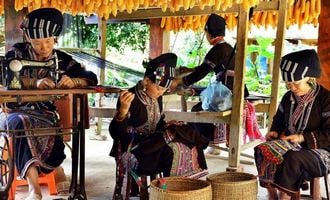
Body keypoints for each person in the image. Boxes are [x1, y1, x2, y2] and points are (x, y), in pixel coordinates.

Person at [0, 8, 98, 200]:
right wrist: (33, 83)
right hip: (13, 113)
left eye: (48, 42)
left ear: (55, 39)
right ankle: (34, 189)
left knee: (55, 128)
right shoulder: (17, 54)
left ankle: (63, 180)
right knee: (21, 123)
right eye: (37, 42)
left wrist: (74, 81)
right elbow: (4, 77)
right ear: (29, 39)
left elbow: (90, 77)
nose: (43, 47)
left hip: (45, 116)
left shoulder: (61, 60)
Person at [109, 53, 209, 199]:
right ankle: (171, 194)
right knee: (174, 150)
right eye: (159, 88)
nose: (161, 92)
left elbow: (157, 123)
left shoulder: (157, 97)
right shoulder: (130, 98)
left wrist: (169, 125)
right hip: (136, 151)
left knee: (183, 145)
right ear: (146, 80)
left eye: (164, 90)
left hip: (153, 145)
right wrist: (121, 113)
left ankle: (178, 192)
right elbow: (117, 134)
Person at [254, 49, 330, 200]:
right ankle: (272, 195)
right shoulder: (288, 97)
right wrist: (275, 131)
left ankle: (286, 196)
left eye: (296, 83)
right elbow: (280, 118)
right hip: (292, 145)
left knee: (292, 158)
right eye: (288, 84)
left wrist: (302, 138)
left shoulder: (326, 99)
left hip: (321, 150)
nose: (292, 88)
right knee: (261, 150)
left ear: (310, 78)